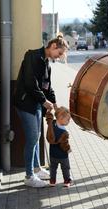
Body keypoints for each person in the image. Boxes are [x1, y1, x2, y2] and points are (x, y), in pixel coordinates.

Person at [14, 37, 69, 187]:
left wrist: (56, 105)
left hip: (36, 105)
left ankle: (37, 169)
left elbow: (47, 87)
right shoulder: (32, 56)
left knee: (37, 136)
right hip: (25, 104)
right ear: (52, 46)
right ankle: (29, 176)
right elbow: (30, 83)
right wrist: (45, 102)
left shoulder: (47, 65)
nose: (58, 57)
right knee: (32, 138)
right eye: (59, 53)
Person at [45, 106, 73, 187]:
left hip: (52, 154)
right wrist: (68, 149)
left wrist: (49, 110)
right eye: (67, 119)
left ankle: (52, 181)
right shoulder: (64, 132)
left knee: (53, 168)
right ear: (61, 118)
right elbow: (64, 145)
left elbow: (48, 117)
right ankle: (67, 180)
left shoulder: (52, 124)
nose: (69, 121)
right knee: (65, 168)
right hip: (62, 155)